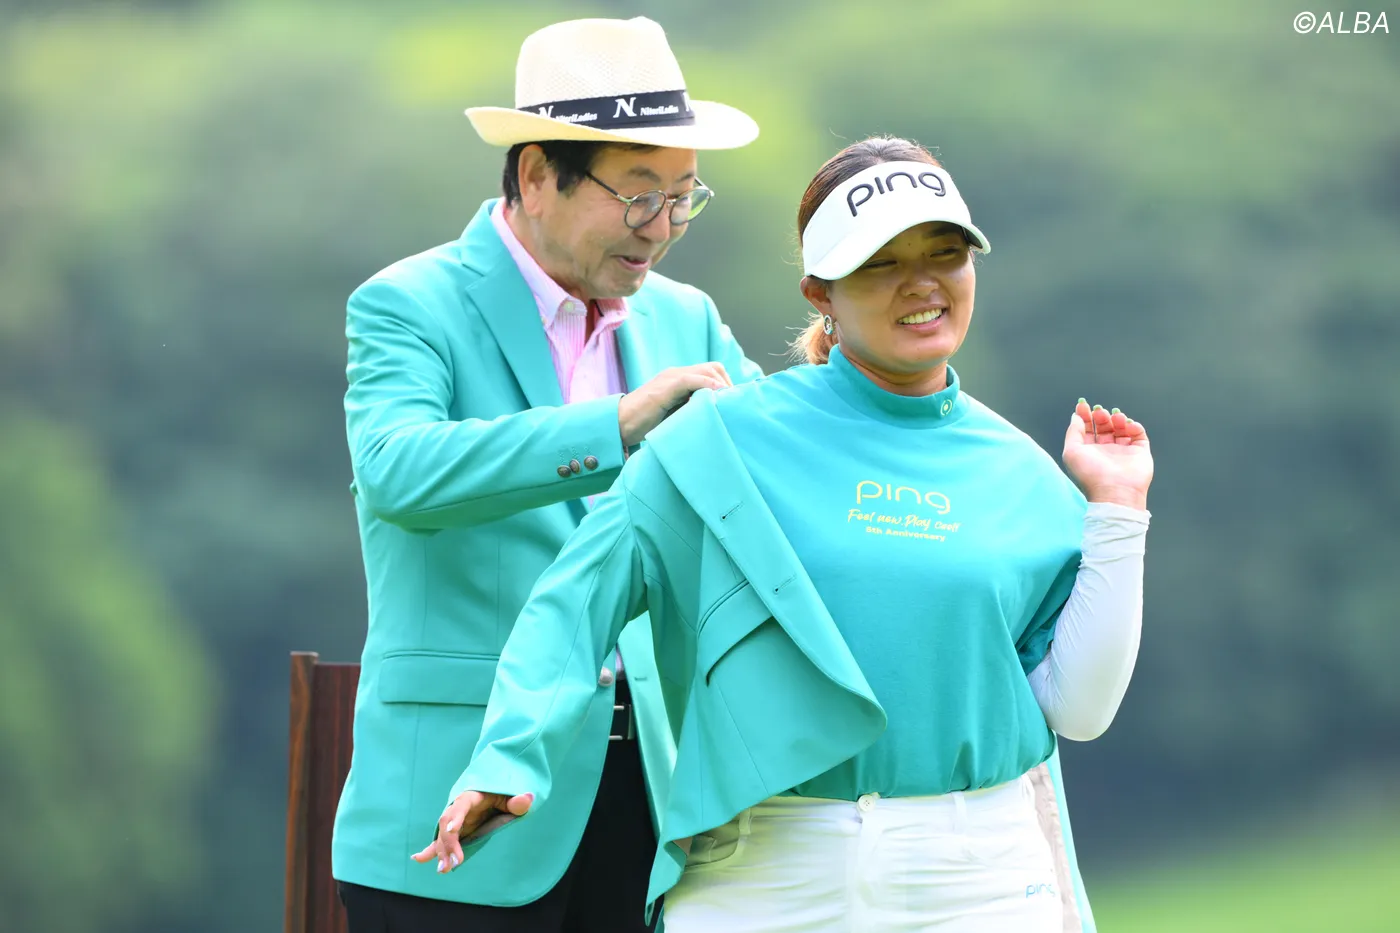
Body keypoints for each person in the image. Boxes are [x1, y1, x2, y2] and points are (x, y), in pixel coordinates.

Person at [423, 136, 1154, 933]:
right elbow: (577, 598)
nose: (921, 282)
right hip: (766, 873)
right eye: (881, 262)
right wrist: (508, 755)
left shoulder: (1030, 478)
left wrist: (1119, 509)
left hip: (980, 879)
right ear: (820, 293)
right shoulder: (719, 443)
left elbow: (1078, 707)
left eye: (945, 253)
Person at [331, 15, 764, 933]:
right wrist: (617, 423)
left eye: (684, 197)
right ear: (536, 174)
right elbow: (396, 472)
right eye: (639, 196)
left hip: (647, 803)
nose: (664, 229)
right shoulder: (408, 303)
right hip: (451, 808)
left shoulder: (688, 318)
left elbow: (779, 465)